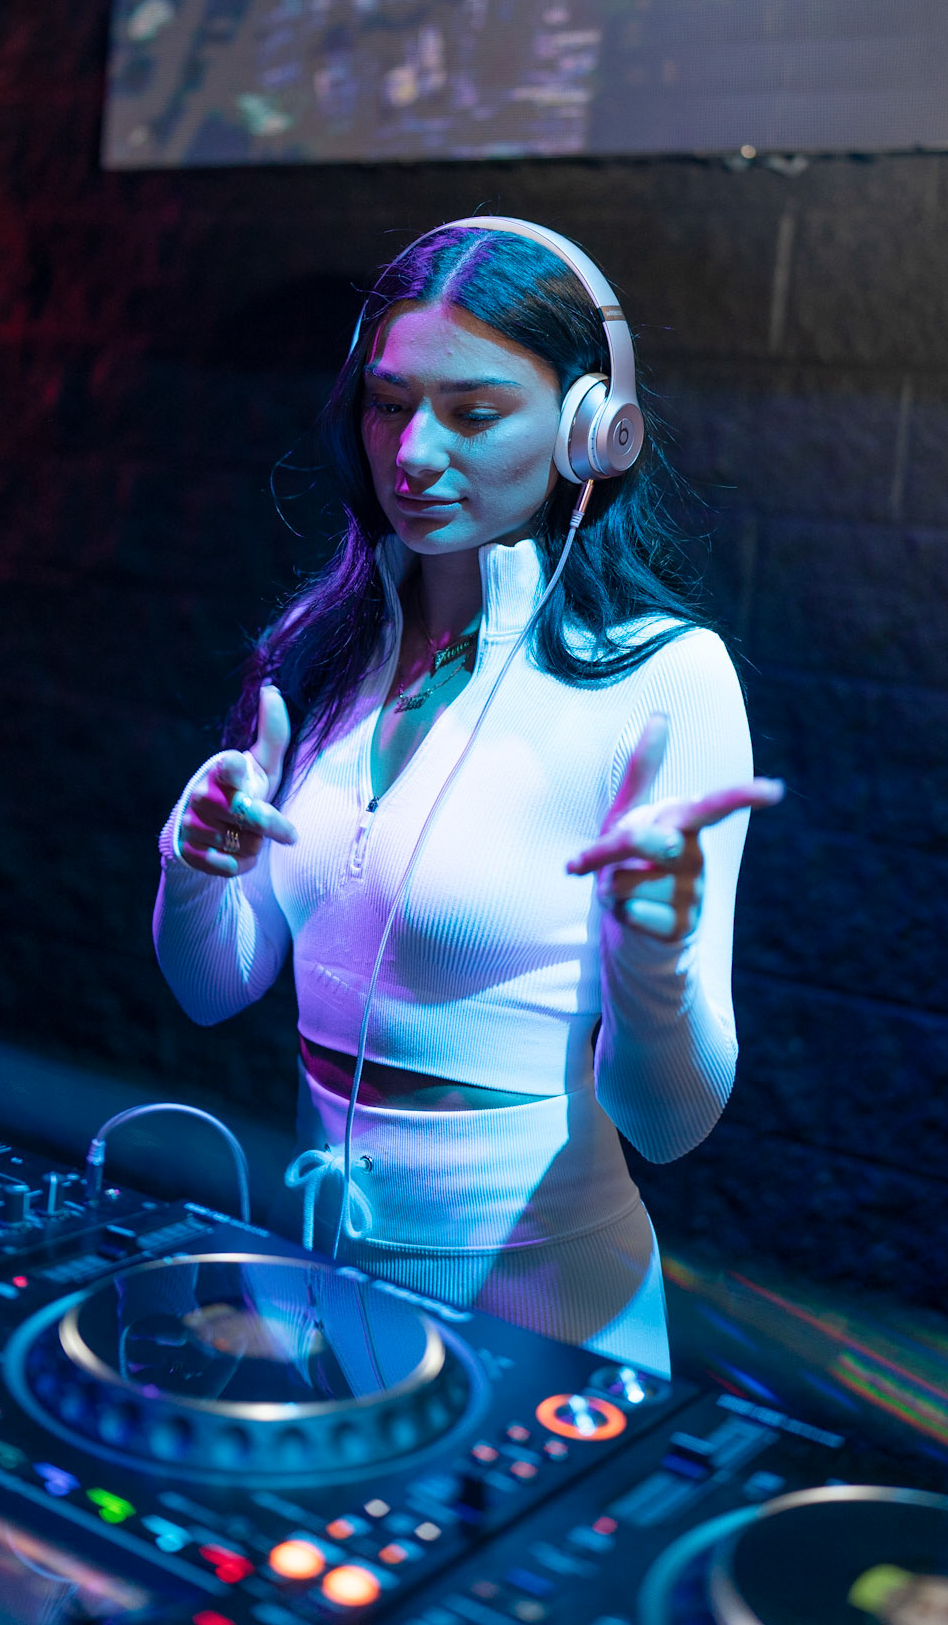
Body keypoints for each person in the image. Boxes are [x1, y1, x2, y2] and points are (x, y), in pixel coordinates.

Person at [153, 220, 781, 1374]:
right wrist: (195, 868)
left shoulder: (664, 679)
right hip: (307, 1284)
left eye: (474, 412)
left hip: (541, 1316)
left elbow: (671, 1122)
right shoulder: (322, 647)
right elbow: (213, 987)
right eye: (389, 404)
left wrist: (652, 954)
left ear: (593, 428)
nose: (413, 452)